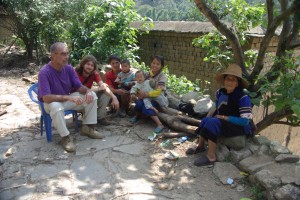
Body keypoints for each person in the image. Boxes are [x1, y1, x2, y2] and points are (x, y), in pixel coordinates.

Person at [38, 42, 104, 153]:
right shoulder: (44, 72)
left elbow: (78, 86)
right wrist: (68, 98)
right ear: (53, 55)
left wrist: (87, 91)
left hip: (65, 100)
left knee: (92, 96)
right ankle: (65, 138)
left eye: (67, 54)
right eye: (63, 54)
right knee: (56, 107)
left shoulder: (68, 68)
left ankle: (88, 128)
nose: (66, 57)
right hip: (49, 104)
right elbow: (46, 98)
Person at [185, 63, 253, 166]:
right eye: (227, 79)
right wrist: (207, 117)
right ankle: (200, 146)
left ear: (237, 83)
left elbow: (245, 121)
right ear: (224, 80)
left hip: (239, 126)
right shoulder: (221, 92)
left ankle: (211, 156)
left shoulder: (243, 97)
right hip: (224, 121)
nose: (229, 82)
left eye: (233, 80)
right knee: (206, 120)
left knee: (212, 123)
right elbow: (216, 106)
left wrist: (225, 118)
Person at [75, 55, 119, 125]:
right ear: (83, 64)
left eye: (92, 65)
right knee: (92, 94)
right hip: (77, 97)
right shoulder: (75, 73)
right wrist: (98, 88)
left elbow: (103, 86)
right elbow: (79, 88)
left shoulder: (94, 73)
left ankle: (100, 117)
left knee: (106, 93)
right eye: (88, 64)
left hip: (89, 95)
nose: (89, 67)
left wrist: (114, 97)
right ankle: (88, 120)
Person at [133, 55, 168, 133]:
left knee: (147, 107)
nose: (155, 65)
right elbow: (138, 83)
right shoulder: (146, 74)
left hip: (157, 98)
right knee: (138, 103)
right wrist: (139, 92)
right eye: (153, 63)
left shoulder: (162, 76)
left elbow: (159, 91)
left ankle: (160, 124)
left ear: (161, 66)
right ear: (151, 63)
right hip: (146, 96)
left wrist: (147, 94)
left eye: (158, 64)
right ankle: (138, 116)